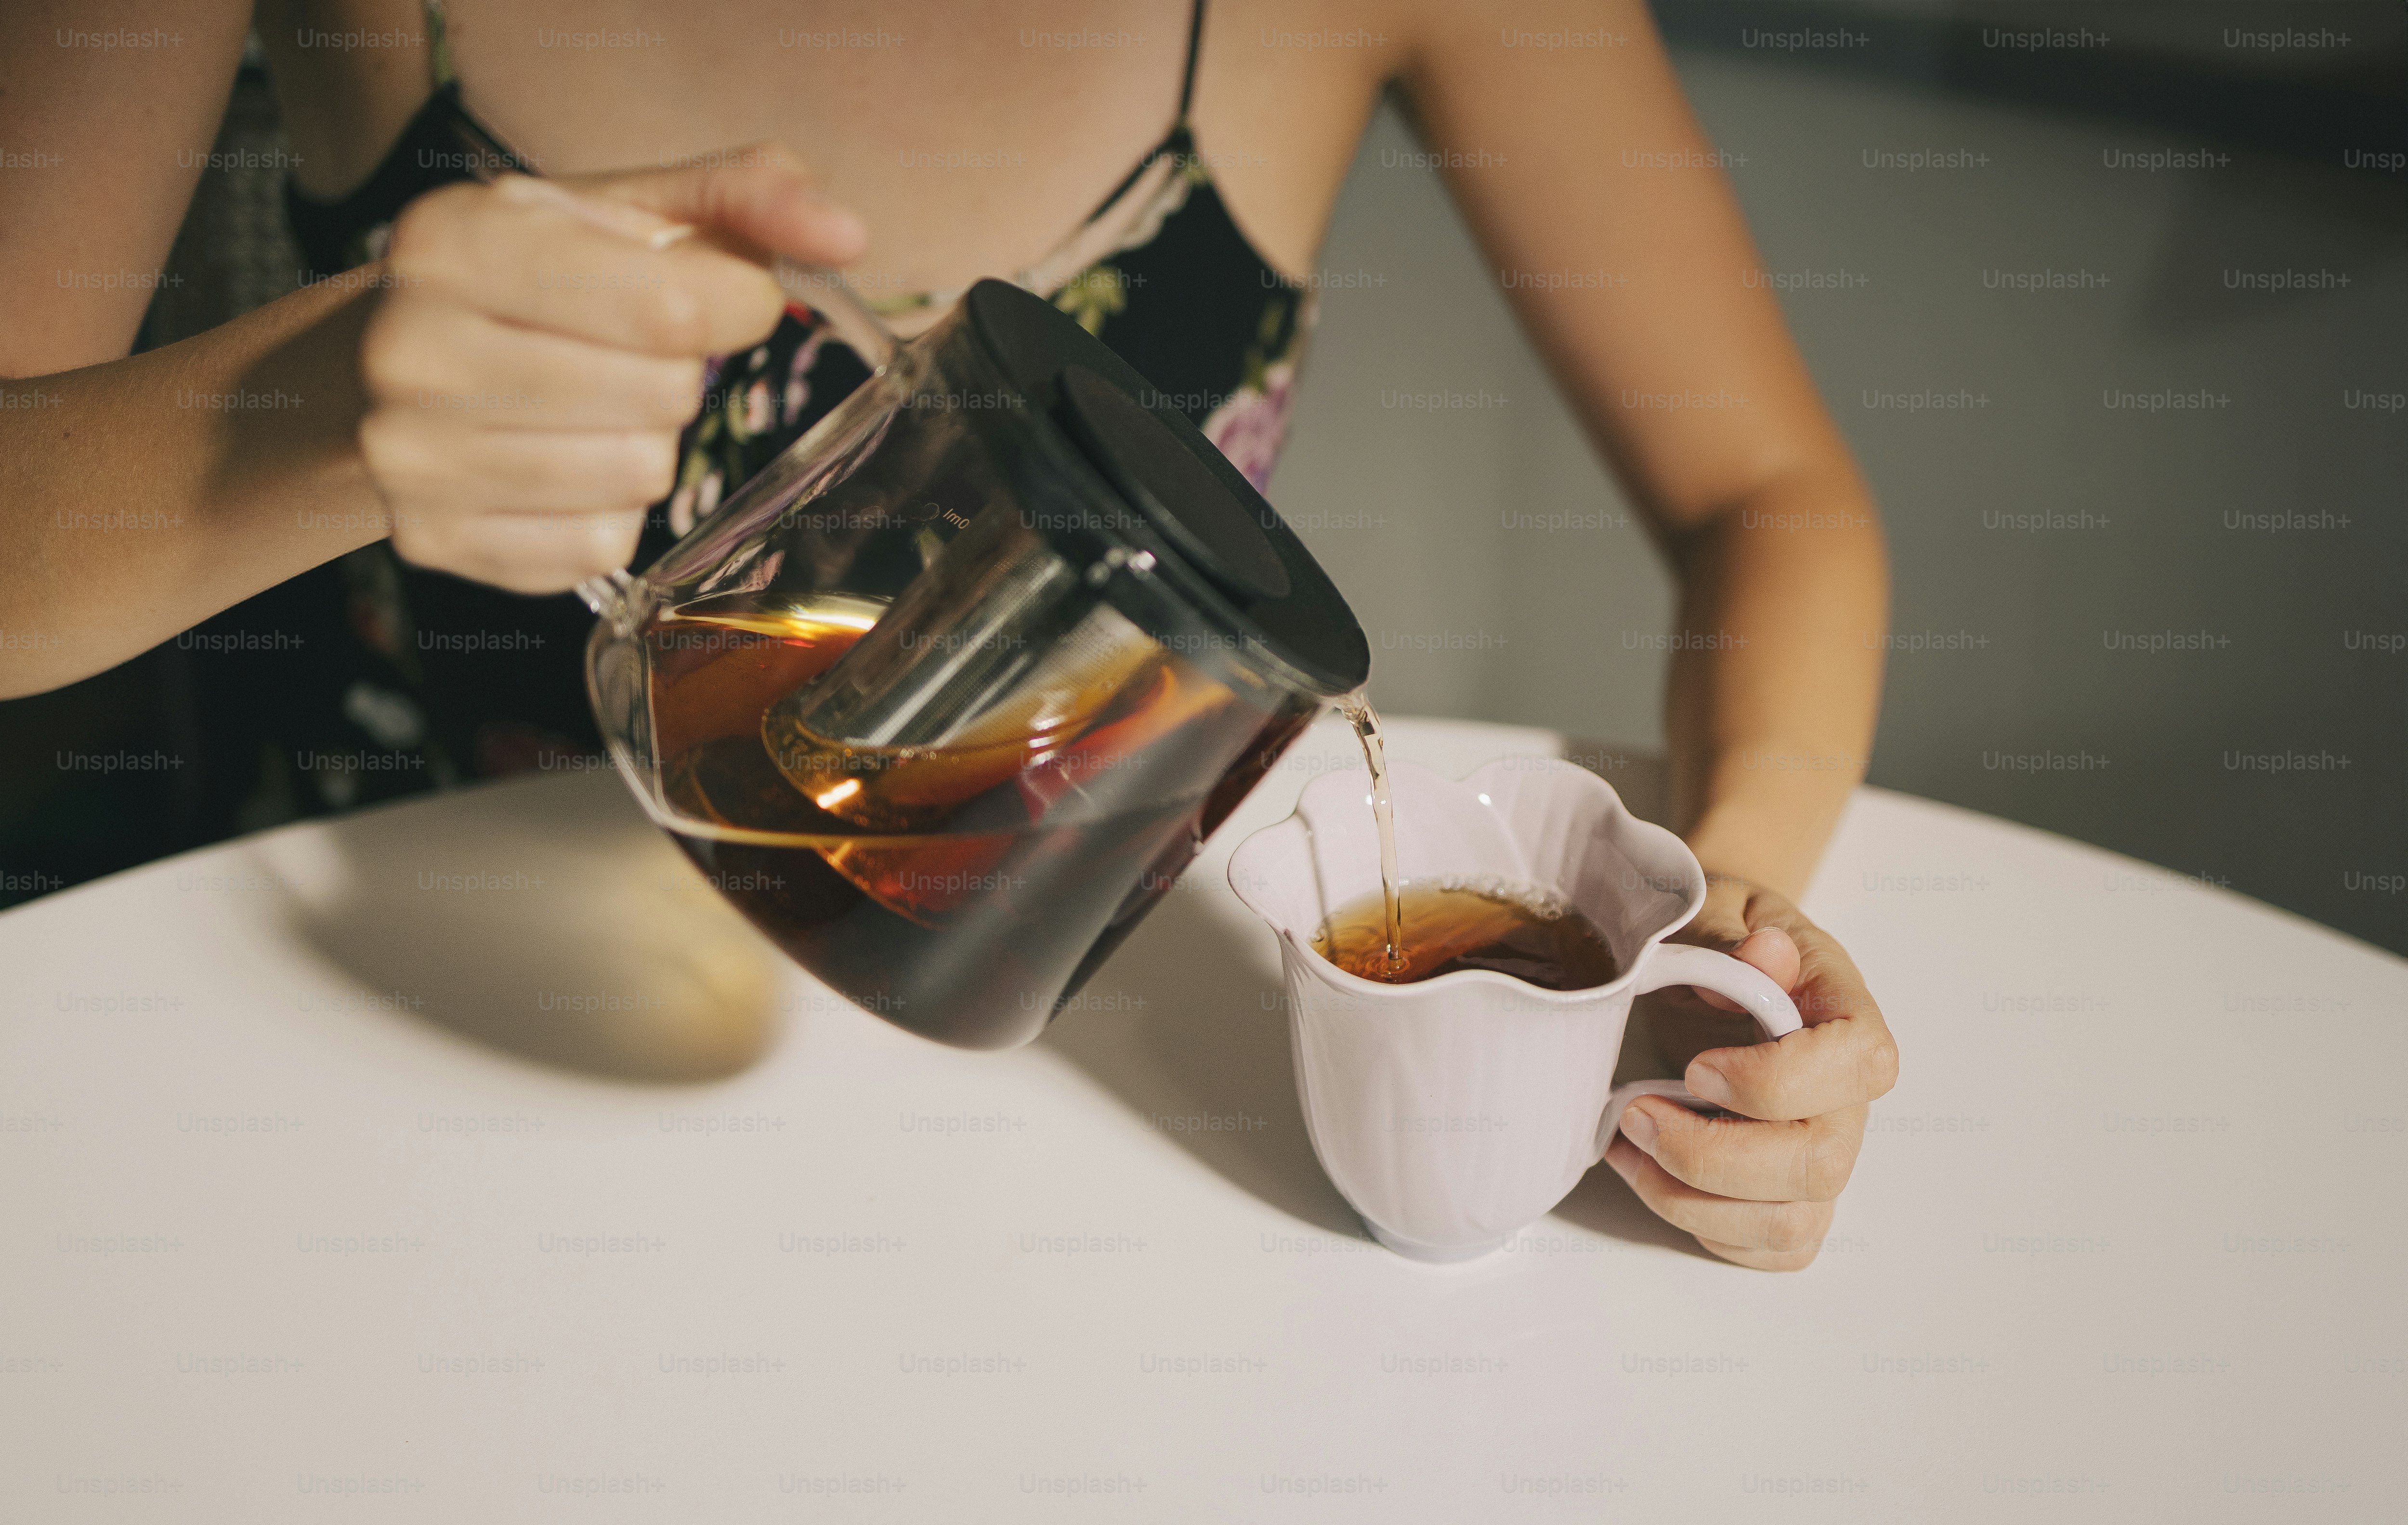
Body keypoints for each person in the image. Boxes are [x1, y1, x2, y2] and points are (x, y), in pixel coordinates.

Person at [0, 0, 1898, 1268]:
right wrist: (311, 407)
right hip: (353, 1080)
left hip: (1041, 1149)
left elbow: (1770, 504)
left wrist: (1723, 928)